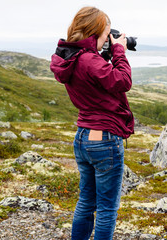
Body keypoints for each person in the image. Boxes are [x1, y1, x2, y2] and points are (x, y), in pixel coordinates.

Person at [50, 6, 134, 240]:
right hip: (104, 139)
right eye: (107, 35)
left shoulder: (71, 57)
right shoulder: (89, 60)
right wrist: (119, 51)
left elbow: (96, 77)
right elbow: (123, 80)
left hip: (84, 137)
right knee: (107, 208)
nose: (109, 39)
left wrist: (106, 54)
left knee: (86, 202)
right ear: (95, 32)